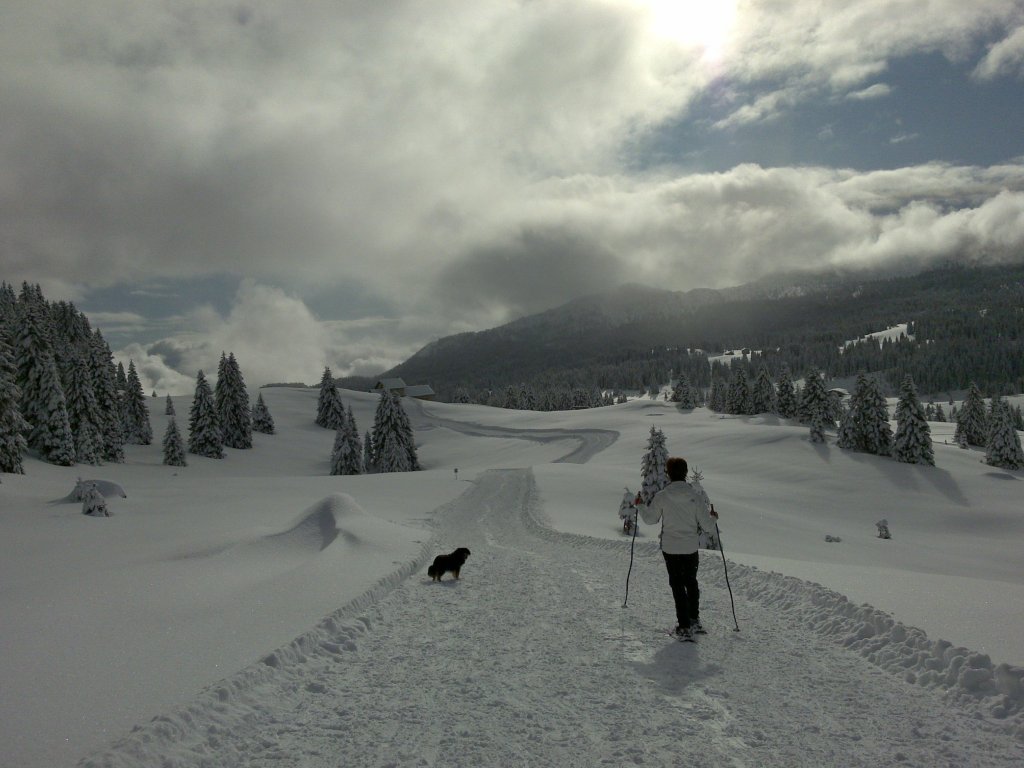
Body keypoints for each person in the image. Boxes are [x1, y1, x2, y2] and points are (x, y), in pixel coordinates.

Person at [640, 456, 718, 641]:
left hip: (671, 547)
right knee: (691, 582)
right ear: (685, 473)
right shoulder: (695, 496)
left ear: (669, 473)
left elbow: (650, 519)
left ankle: (683, 626)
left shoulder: (662, 496)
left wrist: (640, 506)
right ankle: (694, 619)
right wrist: (714, 517)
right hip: (690, 547)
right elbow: (707, 526)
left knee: (677, 584)